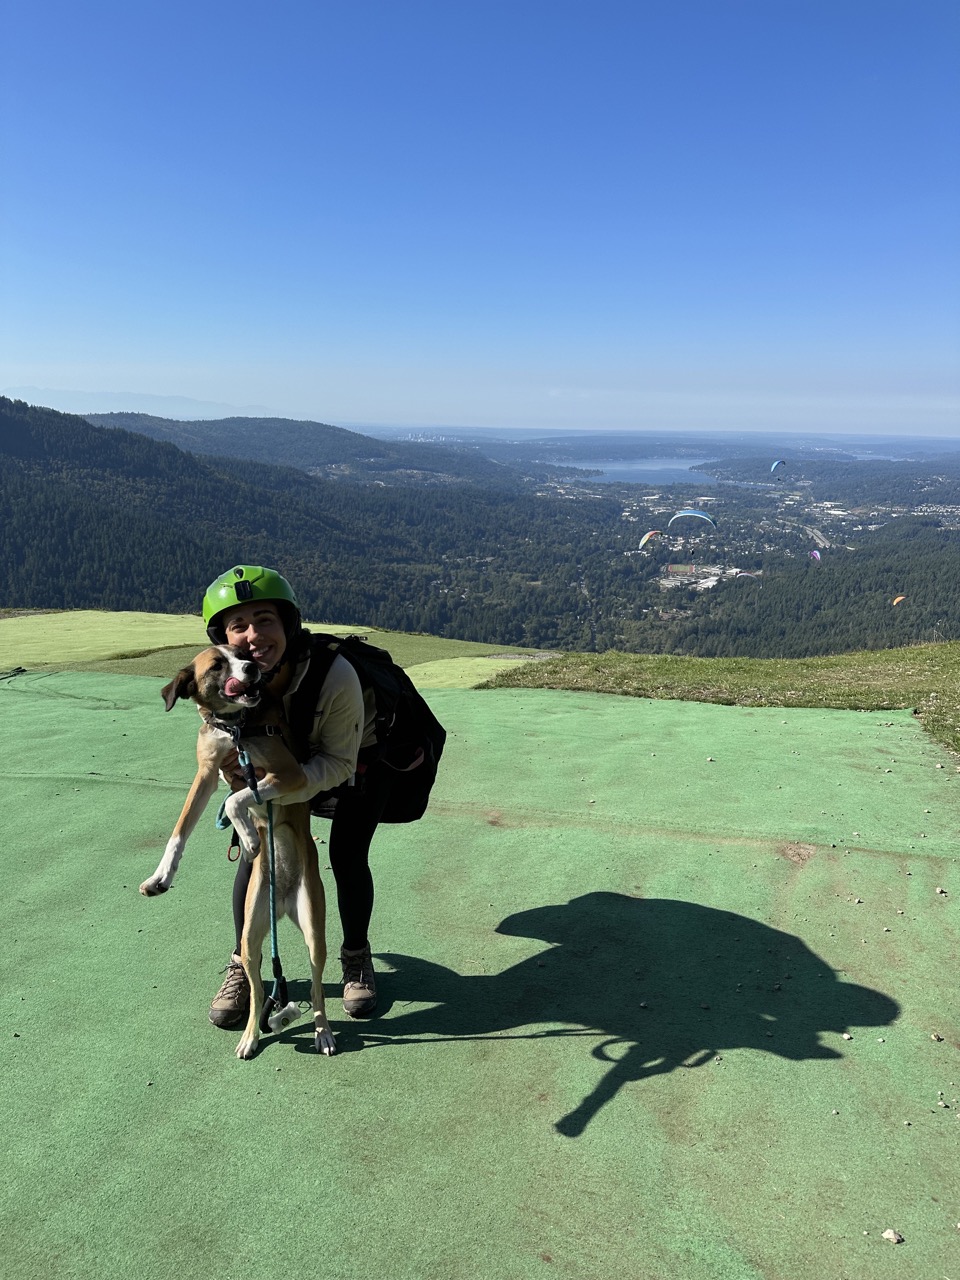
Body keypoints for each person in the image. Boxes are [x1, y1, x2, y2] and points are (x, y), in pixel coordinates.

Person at [201, 564, 388, 1027]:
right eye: (237, 625)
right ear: (223, 637)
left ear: (288, 625)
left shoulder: (336, 675)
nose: (252, 636)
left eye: (265, 620)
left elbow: (338, 763)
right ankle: (243, 960)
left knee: (347, 856)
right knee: (255, 852)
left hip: (355, 761)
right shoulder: (228, 682)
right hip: (282, 768)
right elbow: (221, 748)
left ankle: (355, 955)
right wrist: (239, 782)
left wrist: (275, 788)